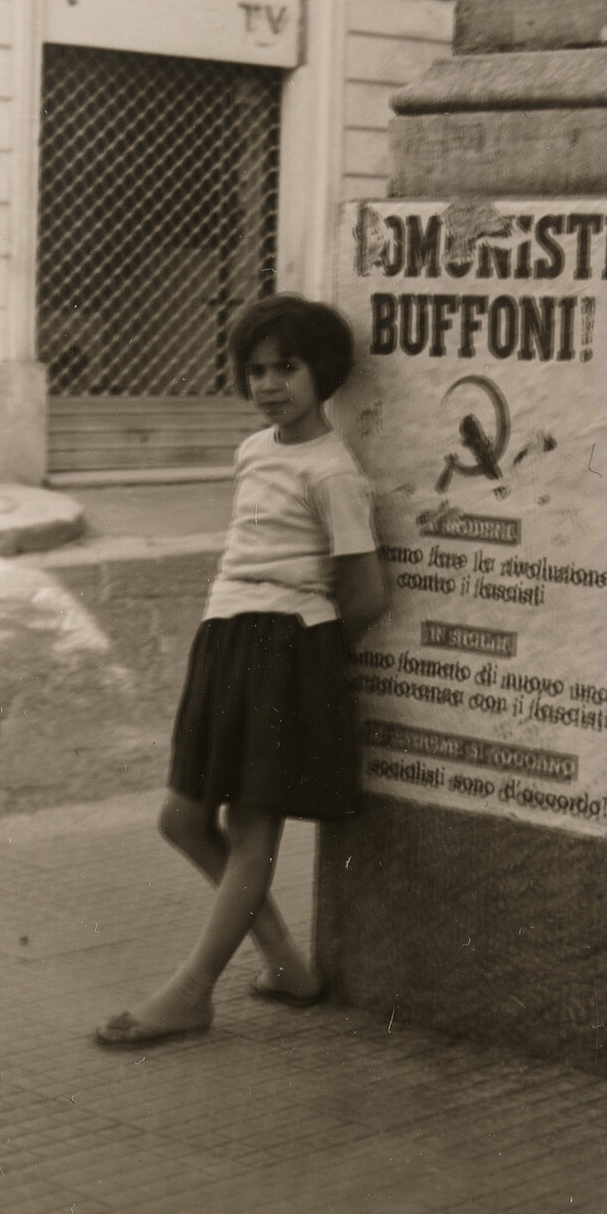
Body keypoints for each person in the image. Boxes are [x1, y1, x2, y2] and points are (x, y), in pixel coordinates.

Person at [95, 294, 387, 1047]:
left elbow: (364, 593)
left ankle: (193, 991)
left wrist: (306, 660)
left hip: (286, 644)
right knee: (182, 819)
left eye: (285, 368)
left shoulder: (333, 472)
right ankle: (287, 964)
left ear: (321, 373)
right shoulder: (255, 450)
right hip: (225, 636)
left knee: (252, 826)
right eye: (255, 370)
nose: (268, 384)